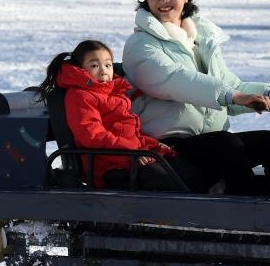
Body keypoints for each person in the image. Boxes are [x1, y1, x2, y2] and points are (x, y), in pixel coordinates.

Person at [122, 0, 270, 195]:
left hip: (207, 140)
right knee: (226, 145)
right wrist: (232, 96)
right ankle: (249, 211)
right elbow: (176, 80)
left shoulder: (199, 40)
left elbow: (231, 84)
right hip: (166, 143)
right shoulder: (140, 45)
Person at [37, 39, 206, 191]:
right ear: (80, 69)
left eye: (108, 65)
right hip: (108, 166)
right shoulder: (80, 96)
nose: (103, 72)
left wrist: (153, 145)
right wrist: (131, 152)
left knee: (190, 173)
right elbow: (93, 136)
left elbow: (130, 133)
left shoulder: (114, 93)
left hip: (130, 158)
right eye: (94, 65)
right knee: (178, 181)